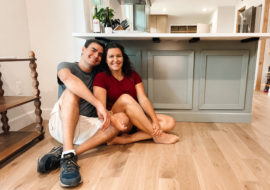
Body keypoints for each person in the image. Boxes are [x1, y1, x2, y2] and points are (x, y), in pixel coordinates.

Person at [37, 39, 128, 187]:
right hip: (62, 122)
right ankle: (67, 156)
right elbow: (67, 78)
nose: (96, 55)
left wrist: (112, 116)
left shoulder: (99, 74)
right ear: (83, 49)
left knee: (123, 118)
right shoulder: (66, 66)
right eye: (93, 50)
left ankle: (68, 153)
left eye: (100, 54)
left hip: (87, 128)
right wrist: (98, 104)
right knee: (72, 92)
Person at [93, 42, 179, 145]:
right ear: (106, 60)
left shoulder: (132, 75)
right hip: (119, 121)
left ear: (123, 58)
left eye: (118, 56)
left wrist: (154, 120)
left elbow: (143, 99)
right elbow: (101, 109)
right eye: (111, 56)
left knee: (170, 122)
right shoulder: (101, 77)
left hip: (136, 118)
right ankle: (157, 136)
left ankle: (128, 139)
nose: (115, 60)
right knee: (125, 98)